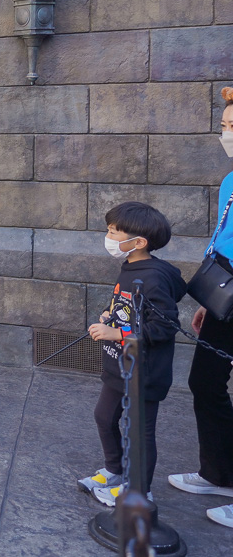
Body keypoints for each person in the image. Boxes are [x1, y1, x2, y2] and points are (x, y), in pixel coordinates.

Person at [77, 201, 185, 507]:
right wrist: (111, 316)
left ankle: (139, 490)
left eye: (114, 231)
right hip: (119, 365)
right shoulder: (129, 267)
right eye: (109, 229)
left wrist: (117, 333)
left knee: (139, 432)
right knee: (104, 417)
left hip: (145, 372)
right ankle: (116, 471)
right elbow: (130, 309)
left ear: (138, 242)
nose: (109, 236)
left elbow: (164, 328)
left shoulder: (154, 276)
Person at [168, 86, 233, 529]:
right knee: (205, 381)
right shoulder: (231, 179)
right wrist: (211, 300)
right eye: (226, 125)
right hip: (226, 292)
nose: (226, 134)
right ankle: (220, 473)